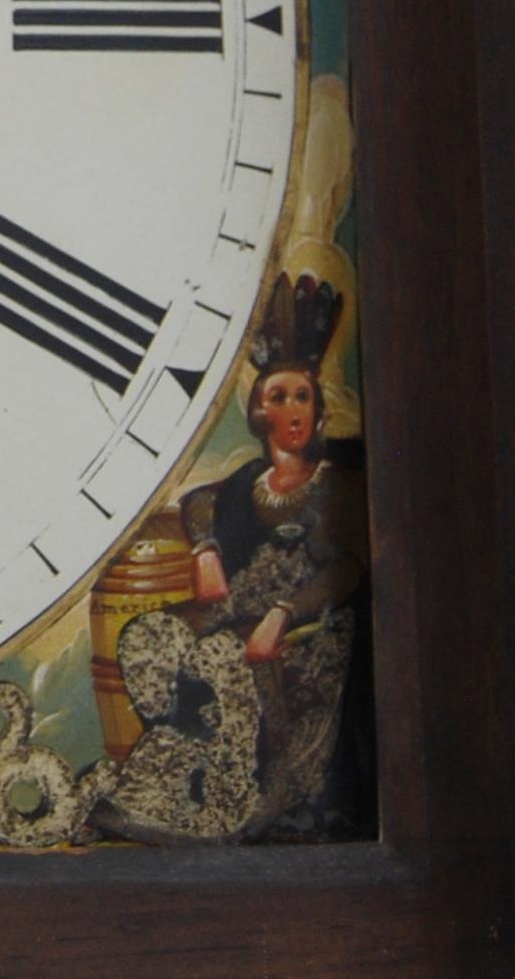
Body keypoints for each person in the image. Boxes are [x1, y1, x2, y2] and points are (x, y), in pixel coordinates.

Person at [174, 273, 369, 834]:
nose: (294, 409)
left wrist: (284, 614)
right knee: (163, 641)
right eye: (279, 397)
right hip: (252, 623)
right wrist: (207, 548)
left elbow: (345, 567)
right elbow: (197, 501)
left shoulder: (334, 485)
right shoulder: (252, 481)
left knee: (223, 659)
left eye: (303, 396)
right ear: (260, 415)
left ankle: (261, 794)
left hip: (311, 633)